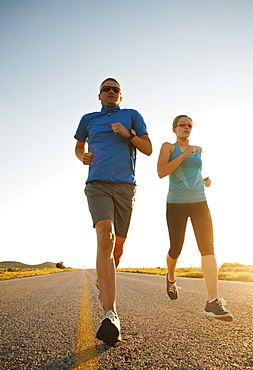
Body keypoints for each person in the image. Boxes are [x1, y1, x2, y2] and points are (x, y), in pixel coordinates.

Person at [74, 78, 152, 343]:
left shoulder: (132, 116)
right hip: (97, 184)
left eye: (115, 90)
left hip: (125, 186)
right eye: (106, 89)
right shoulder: (88, 119)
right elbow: (78, 146)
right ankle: (111, 313)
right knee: (104, 237)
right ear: (99, 96)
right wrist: (81, 156)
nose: (110, 92)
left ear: (121, 96)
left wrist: (128, 134)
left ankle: (105, 280)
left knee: (117, 249)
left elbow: (148, 149)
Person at [157, 115, 233, 321]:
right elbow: (161, 172)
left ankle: (212, 302)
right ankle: (171, 277)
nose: (186, 127)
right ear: (174, 129)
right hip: (176, 204)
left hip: (200, 202)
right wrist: (183, 155)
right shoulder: (168, 147)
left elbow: (192, 173)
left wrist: (203, 180)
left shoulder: (198, 150)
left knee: (208, 247)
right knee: (176, 248)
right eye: (182, 124)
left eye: (190, 124)